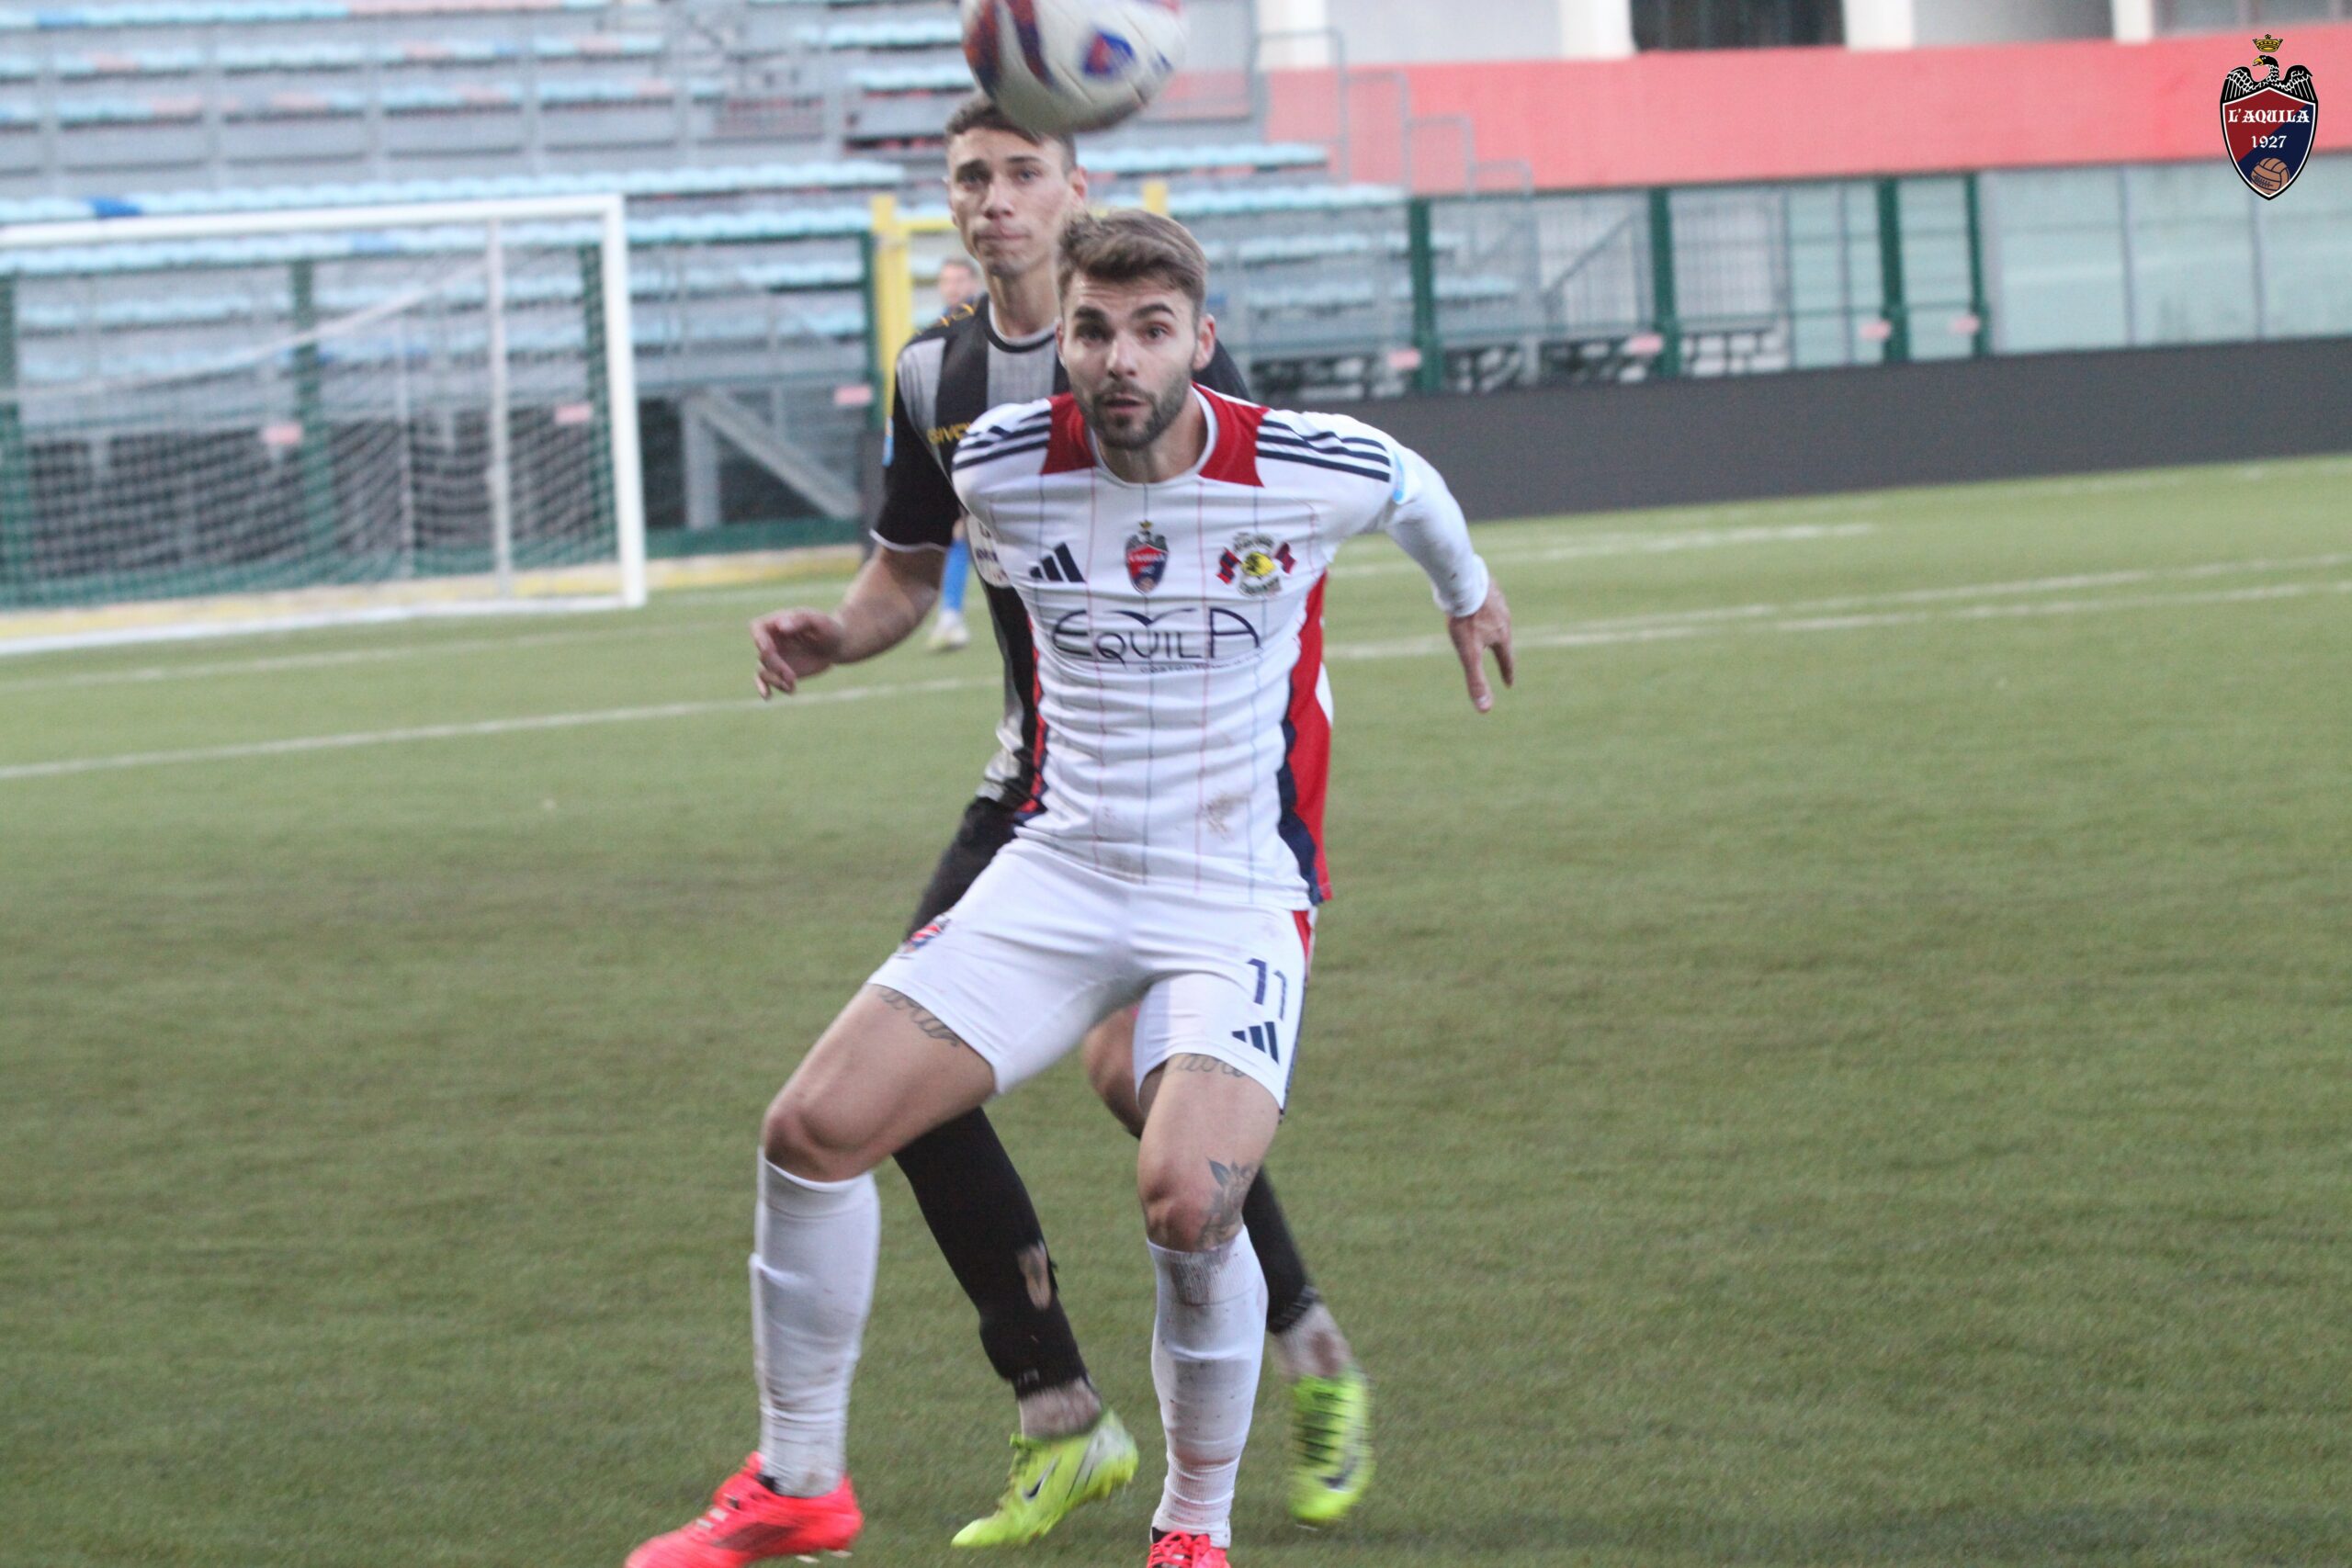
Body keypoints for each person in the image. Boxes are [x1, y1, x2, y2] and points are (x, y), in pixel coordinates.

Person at [626, 208, 1512, 1568]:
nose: (1118, 358)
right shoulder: (996, 460)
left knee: (1187, 1198)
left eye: (1151, 331)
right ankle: (799, 1477)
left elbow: (1418, 489)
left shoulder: (1305, 463)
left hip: (1234, 891)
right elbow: (905, 570)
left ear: (1200, 343)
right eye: (1093, 330)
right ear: (1067, 345)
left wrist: (1468, 592)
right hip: (1059, 869)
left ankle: (1193, 1530)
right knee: (811, 1128)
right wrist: (841, 635)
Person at [763, 96, 1369, 1550]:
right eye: (969, 176)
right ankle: (1061, 1406)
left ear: (1073, 188)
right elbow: (903, 570)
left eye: (1021, 174)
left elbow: (1271, 549)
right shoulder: (938, 371)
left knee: (1141, 1090)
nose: (993, 201)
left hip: (1204, 800)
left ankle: (1307, 1346)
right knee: (893, 1085)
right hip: (1036, 788)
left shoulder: (1153, 344)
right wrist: (838, 635)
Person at [928, 255, 985, 652]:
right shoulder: (935, 334)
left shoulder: (988, 327)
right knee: (959, 532)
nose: (953, 287)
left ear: (974, 282)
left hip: (987, 441)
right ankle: (950, 616)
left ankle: (951, 616)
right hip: (952, 444)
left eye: (960, 279)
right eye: (946, 280)